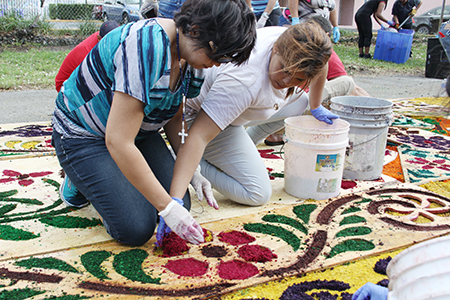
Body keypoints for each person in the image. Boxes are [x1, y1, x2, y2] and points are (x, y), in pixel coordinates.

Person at [52, 0, 257, 246]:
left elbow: (174, 114)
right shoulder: (145, 47)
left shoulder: (193, 56)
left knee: (179, 201)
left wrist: (193, 172)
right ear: (194, 29)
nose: (217, 64)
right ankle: (80, 179)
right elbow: (118, 140)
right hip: (86, 134)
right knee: (136, 228)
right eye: (218, 55)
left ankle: (107, 175)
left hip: (137, 131)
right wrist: (168, 208)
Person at [168, 20, 337, 208]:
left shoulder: (297, 43)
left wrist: (315, 106)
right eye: (285, 70)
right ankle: (183, 158)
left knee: (301, 103)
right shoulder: (243, 81)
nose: (287, 80)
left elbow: (321, 66)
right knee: (257, 193)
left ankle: (247, 141)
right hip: (200, 116)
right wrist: (187, 181)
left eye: (298, 78)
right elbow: (199, 136)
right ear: (276, 49)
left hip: (236, 109)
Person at [264, 15, 370, 146]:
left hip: (272, 113)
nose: (287, 81)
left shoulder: (287, 41)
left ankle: (276, 132)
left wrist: (315, 106)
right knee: (347, 83)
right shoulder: (318, 48)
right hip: (279, 112)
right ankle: (371, 113)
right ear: (325, 36)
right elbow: (352, 88)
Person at [54, 20, 120, 92]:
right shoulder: (90, 54)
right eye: (111, 42)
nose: (114, 44)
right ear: (99, 39)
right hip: (66, 87)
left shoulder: (105, 38)